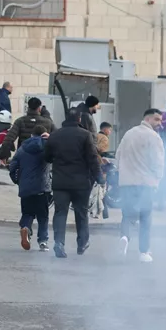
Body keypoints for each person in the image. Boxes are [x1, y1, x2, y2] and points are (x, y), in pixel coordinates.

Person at [43, 109, 103, 258]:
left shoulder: (55, 135)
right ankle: (82, 243)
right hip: (81, 183)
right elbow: (92, 158)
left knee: (60, 212)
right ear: (79, 119)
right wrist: (99, 177)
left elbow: (47, 157)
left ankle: (59, 243)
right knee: (81, 212)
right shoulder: (85, 135)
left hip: (60, 182)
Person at [115, 108, 165, 263]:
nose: (159, 123)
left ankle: (124, 237)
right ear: (147, 119)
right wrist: (158, 179)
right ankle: (144, 252)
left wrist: (121, 173)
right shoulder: (154, 137)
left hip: (126, 182)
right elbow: (158, 162)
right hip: (146, 183)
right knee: (145, 217)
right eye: (157, 119)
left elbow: (118, 156)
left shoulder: (128, 134)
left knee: (127, 214)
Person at [9, 125, 52, 251]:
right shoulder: (47, 147)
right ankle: (43, 241)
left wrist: (18, 181)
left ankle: (26, 228)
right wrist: (51, 139)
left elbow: (13, 167)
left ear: (32, 135)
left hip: (26, 187)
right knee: (43, 216)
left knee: (27, 213)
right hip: (42, 187)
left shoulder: (22, 148)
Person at [89, 121, 113, 220]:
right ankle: (103, 212)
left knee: (93, 188)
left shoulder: (94, 135)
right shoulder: (104, 138)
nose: (110, 132)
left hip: (91, 164)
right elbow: (102, 150)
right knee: (102, 189)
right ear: (105, 129)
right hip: (100, 165)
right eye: (109, 130)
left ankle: (95, 210)